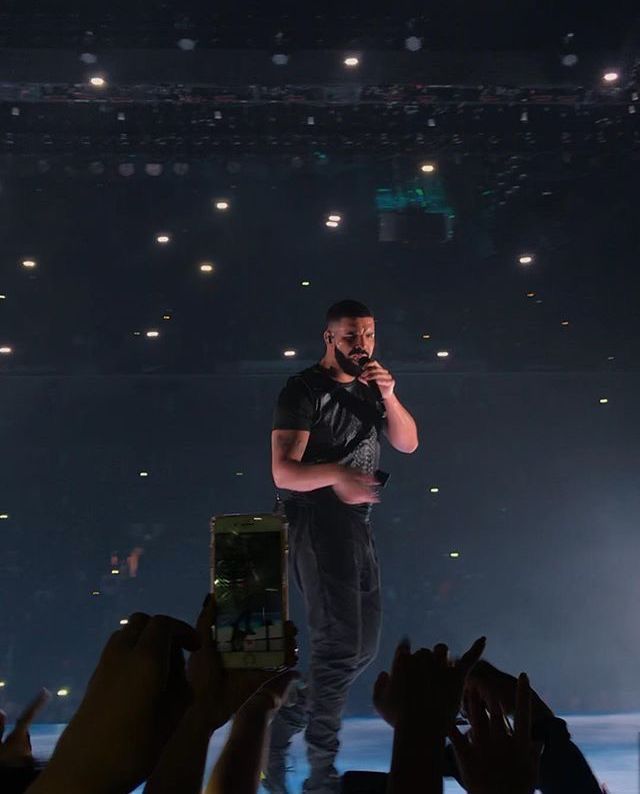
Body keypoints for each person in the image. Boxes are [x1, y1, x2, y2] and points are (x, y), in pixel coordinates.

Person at [265, 299, 419, 794]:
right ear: (329, 337)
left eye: (369, 335)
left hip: (356, 522)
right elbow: (283, 472)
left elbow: (409, 442)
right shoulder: (303, 389)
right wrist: (337, 476)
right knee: (336, 649)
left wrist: (390, 396)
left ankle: (286, 716)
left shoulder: (372, 387)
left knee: (362, 649)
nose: (363, 345)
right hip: (313, 520)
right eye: (352, 336)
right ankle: (321, 772)